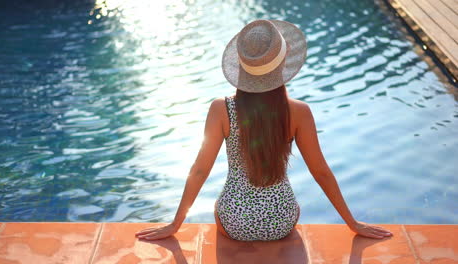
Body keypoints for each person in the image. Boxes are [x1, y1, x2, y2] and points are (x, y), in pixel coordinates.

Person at [135, 20, 393, 241]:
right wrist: (353, 223)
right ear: (283, 65)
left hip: (233, 223)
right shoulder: (298, 112)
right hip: (282, 221)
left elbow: (201, 169)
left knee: (221, 205)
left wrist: (175, 224)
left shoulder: (220, 109)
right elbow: (320, 172)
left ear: (242, 66)